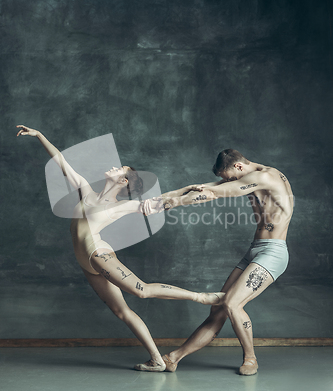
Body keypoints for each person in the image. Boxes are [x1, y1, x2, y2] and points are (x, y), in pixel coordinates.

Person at [16, 125, 225, 372]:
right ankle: (157, 360)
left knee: (142, 291)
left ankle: (202, 297)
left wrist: (190, 188)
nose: (115, 166)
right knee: (122, 311)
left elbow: (161, 201)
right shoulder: (85, 189)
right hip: (85, 261)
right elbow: (60, 161)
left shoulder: (123, 206)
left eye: (120, 168)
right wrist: (39, 135)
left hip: (98, 254)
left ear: (124, 180)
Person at [160, 149, 294, 375]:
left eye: (230, 177)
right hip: (255, 250)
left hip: (273, 253)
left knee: (232, 303)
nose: (229, 182)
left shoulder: (266, 177)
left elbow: (215, 193)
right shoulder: (251, 176)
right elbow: (205, 187)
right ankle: (173, 358)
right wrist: (163, 199)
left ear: (239, 167)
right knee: (218, 310)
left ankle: (251, 359)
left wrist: (176, 203)